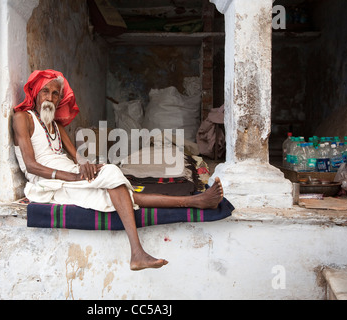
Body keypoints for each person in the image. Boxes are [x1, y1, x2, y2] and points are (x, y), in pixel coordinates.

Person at [13, 70, 224, 271]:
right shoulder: (23, 118)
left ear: (60, 100)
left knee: (122, 190)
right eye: (45, 91)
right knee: (114, 177)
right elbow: (31, 165)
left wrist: (85, 165)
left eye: (55, 94)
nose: (50, 97)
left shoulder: (57, 126)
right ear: (36, 93)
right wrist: (73, 176)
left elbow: (77, 157)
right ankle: (138, 251)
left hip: (70, 175)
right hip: (48, 182)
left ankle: (194, 202)